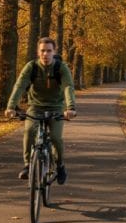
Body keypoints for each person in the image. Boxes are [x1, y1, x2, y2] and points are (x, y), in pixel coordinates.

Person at [5, 37, 77, 184]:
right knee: (29, 131)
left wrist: (70, 108)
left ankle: (60, 165)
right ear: (38, 52)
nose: (45, 54)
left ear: (54, 51)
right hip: (35, 107)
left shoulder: (61, 68)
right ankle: (27, 165)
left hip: (56, 107)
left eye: (49, 51)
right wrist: (11, 107)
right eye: (42, 51)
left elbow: (68, 87)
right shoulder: (32, 67)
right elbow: (20, 86)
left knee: (56, 138)